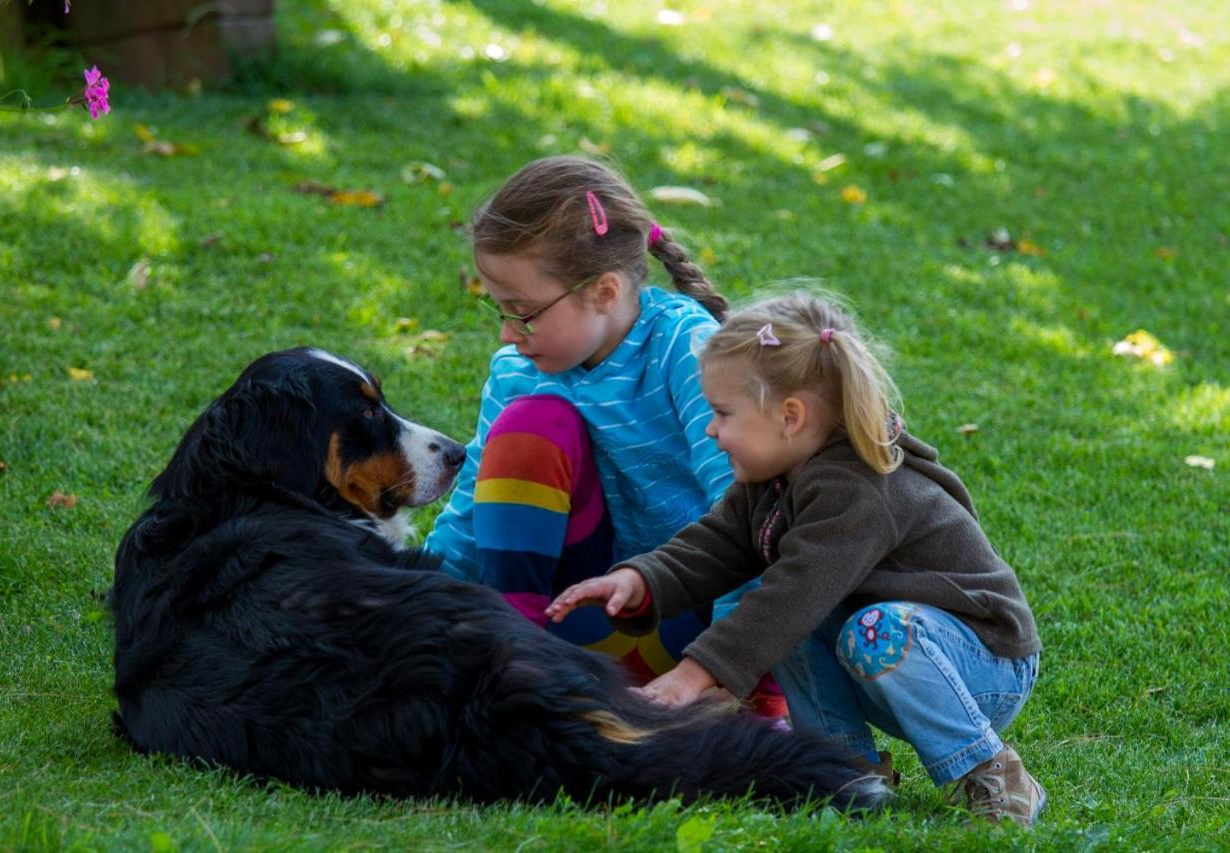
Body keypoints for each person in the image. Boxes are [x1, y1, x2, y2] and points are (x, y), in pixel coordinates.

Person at [546, 291, 1046, 827]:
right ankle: (845, 769)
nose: (711, 429)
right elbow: (716, 542)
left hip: (982, 665)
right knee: (813, 624)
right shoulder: (775, 477)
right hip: (890, 651)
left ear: (790, 416)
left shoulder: (856, 489)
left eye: (722, 413)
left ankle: (991, 771)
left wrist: (695, 675)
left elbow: (794, 592)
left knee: (838, 620)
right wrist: (640, 579)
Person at [425, 155, 782, 714]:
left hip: (699, 629)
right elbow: (468, 519)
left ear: (606, 291)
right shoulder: (515, 372)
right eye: (498, 309)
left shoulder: (685, 347)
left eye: (523, 311)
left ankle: (748, 702)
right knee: (530, 424)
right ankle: (515, 665)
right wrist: (410, 612)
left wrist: (727, 667)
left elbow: (746, 509)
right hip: (578, 621)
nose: (506, 331)